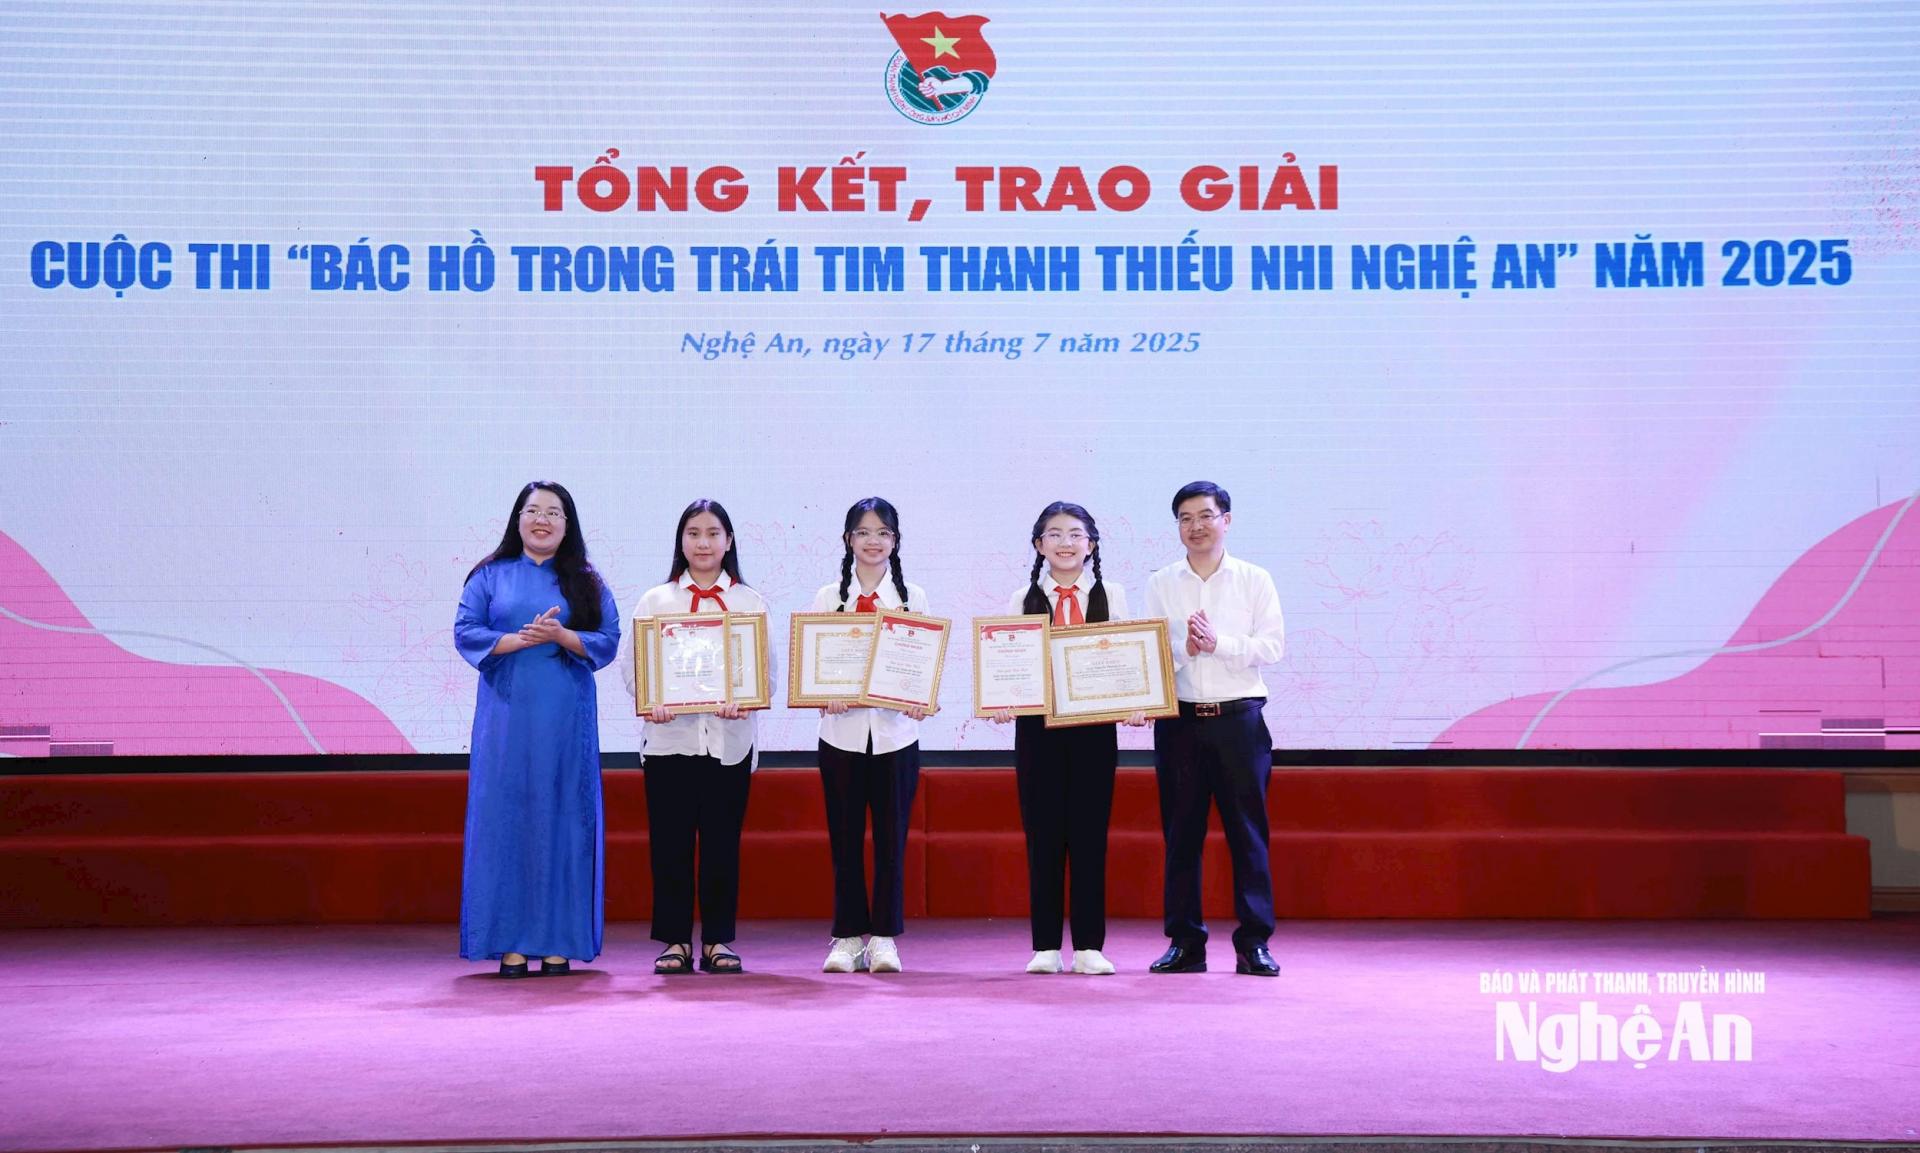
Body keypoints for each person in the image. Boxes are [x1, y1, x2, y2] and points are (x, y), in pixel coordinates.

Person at [454, 481, 621, 978]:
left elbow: (608, 639)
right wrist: (518, 639)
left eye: (553, 512)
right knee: (507, 819)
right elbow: (465, 631)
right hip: (505, 721)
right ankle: (508, 943)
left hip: (567, 722)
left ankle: (558, 942)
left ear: (568, 525)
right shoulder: (489, 576)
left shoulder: (586, 581)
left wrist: (561, 635)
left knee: (564, 819)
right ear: (518, 519)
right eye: (533, 510)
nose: (542, 519)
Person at [990, 502, 1144, 976]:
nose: (1065, 543)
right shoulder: (1022, 598)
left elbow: (1126, 657)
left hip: (1095, 732)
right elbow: (1007, 664)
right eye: (1054, 534)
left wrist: (1137, 700)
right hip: (1037, 732)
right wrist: (1002, 699)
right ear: (1039, 545)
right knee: (1043, 838)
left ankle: (1089, 947)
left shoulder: (1111, 595)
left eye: (1075, 534)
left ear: (1091, 545)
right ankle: (1045, 946)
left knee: (1090, 837)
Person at [1142, 481, 1286, 977]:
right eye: (1185, 518)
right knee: (1181, 834)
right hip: (1180, 723)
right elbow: (1149, 653)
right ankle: (1186, 943)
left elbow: (1272, 647)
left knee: (1248, 833)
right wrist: (1186, 649)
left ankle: (1254, 943)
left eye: (1205, 515)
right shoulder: (1162, 582)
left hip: (1238, 721)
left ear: (1227, 520)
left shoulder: (1254, 579)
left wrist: (1218, 643)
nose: (1196, 526)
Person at [624, 499, 768, 975]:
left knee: (723, 846)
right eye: (693, 533)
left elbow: (765, 675)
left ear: (729, 541)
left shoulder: (749, 602)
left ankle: (718, 941)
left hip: (729, 743)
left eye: (712, 533)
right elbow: (632, 669)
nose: (703, 543)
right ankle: (675, 942)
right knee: (671, 846)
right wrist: (653, 699)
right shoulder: (656, 601)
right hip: (670, 743)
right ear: (681, 541)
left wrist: (745, 700)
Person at [811, 497, 930, 974]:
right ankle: (845, 937)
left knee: (890, 842)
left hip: (895, 738)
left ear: (895, 541)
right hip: (840, 737)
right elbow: (815, 669)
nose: (873, 541)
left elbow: (922, 666)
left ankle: (883, 938)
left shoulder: (912, 597)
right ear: (848, 540)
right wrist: (824, 695)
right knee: (844, 841)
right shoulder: (828, 598)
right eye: (863, 532)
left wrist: (917, 696)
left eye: (883, 532)